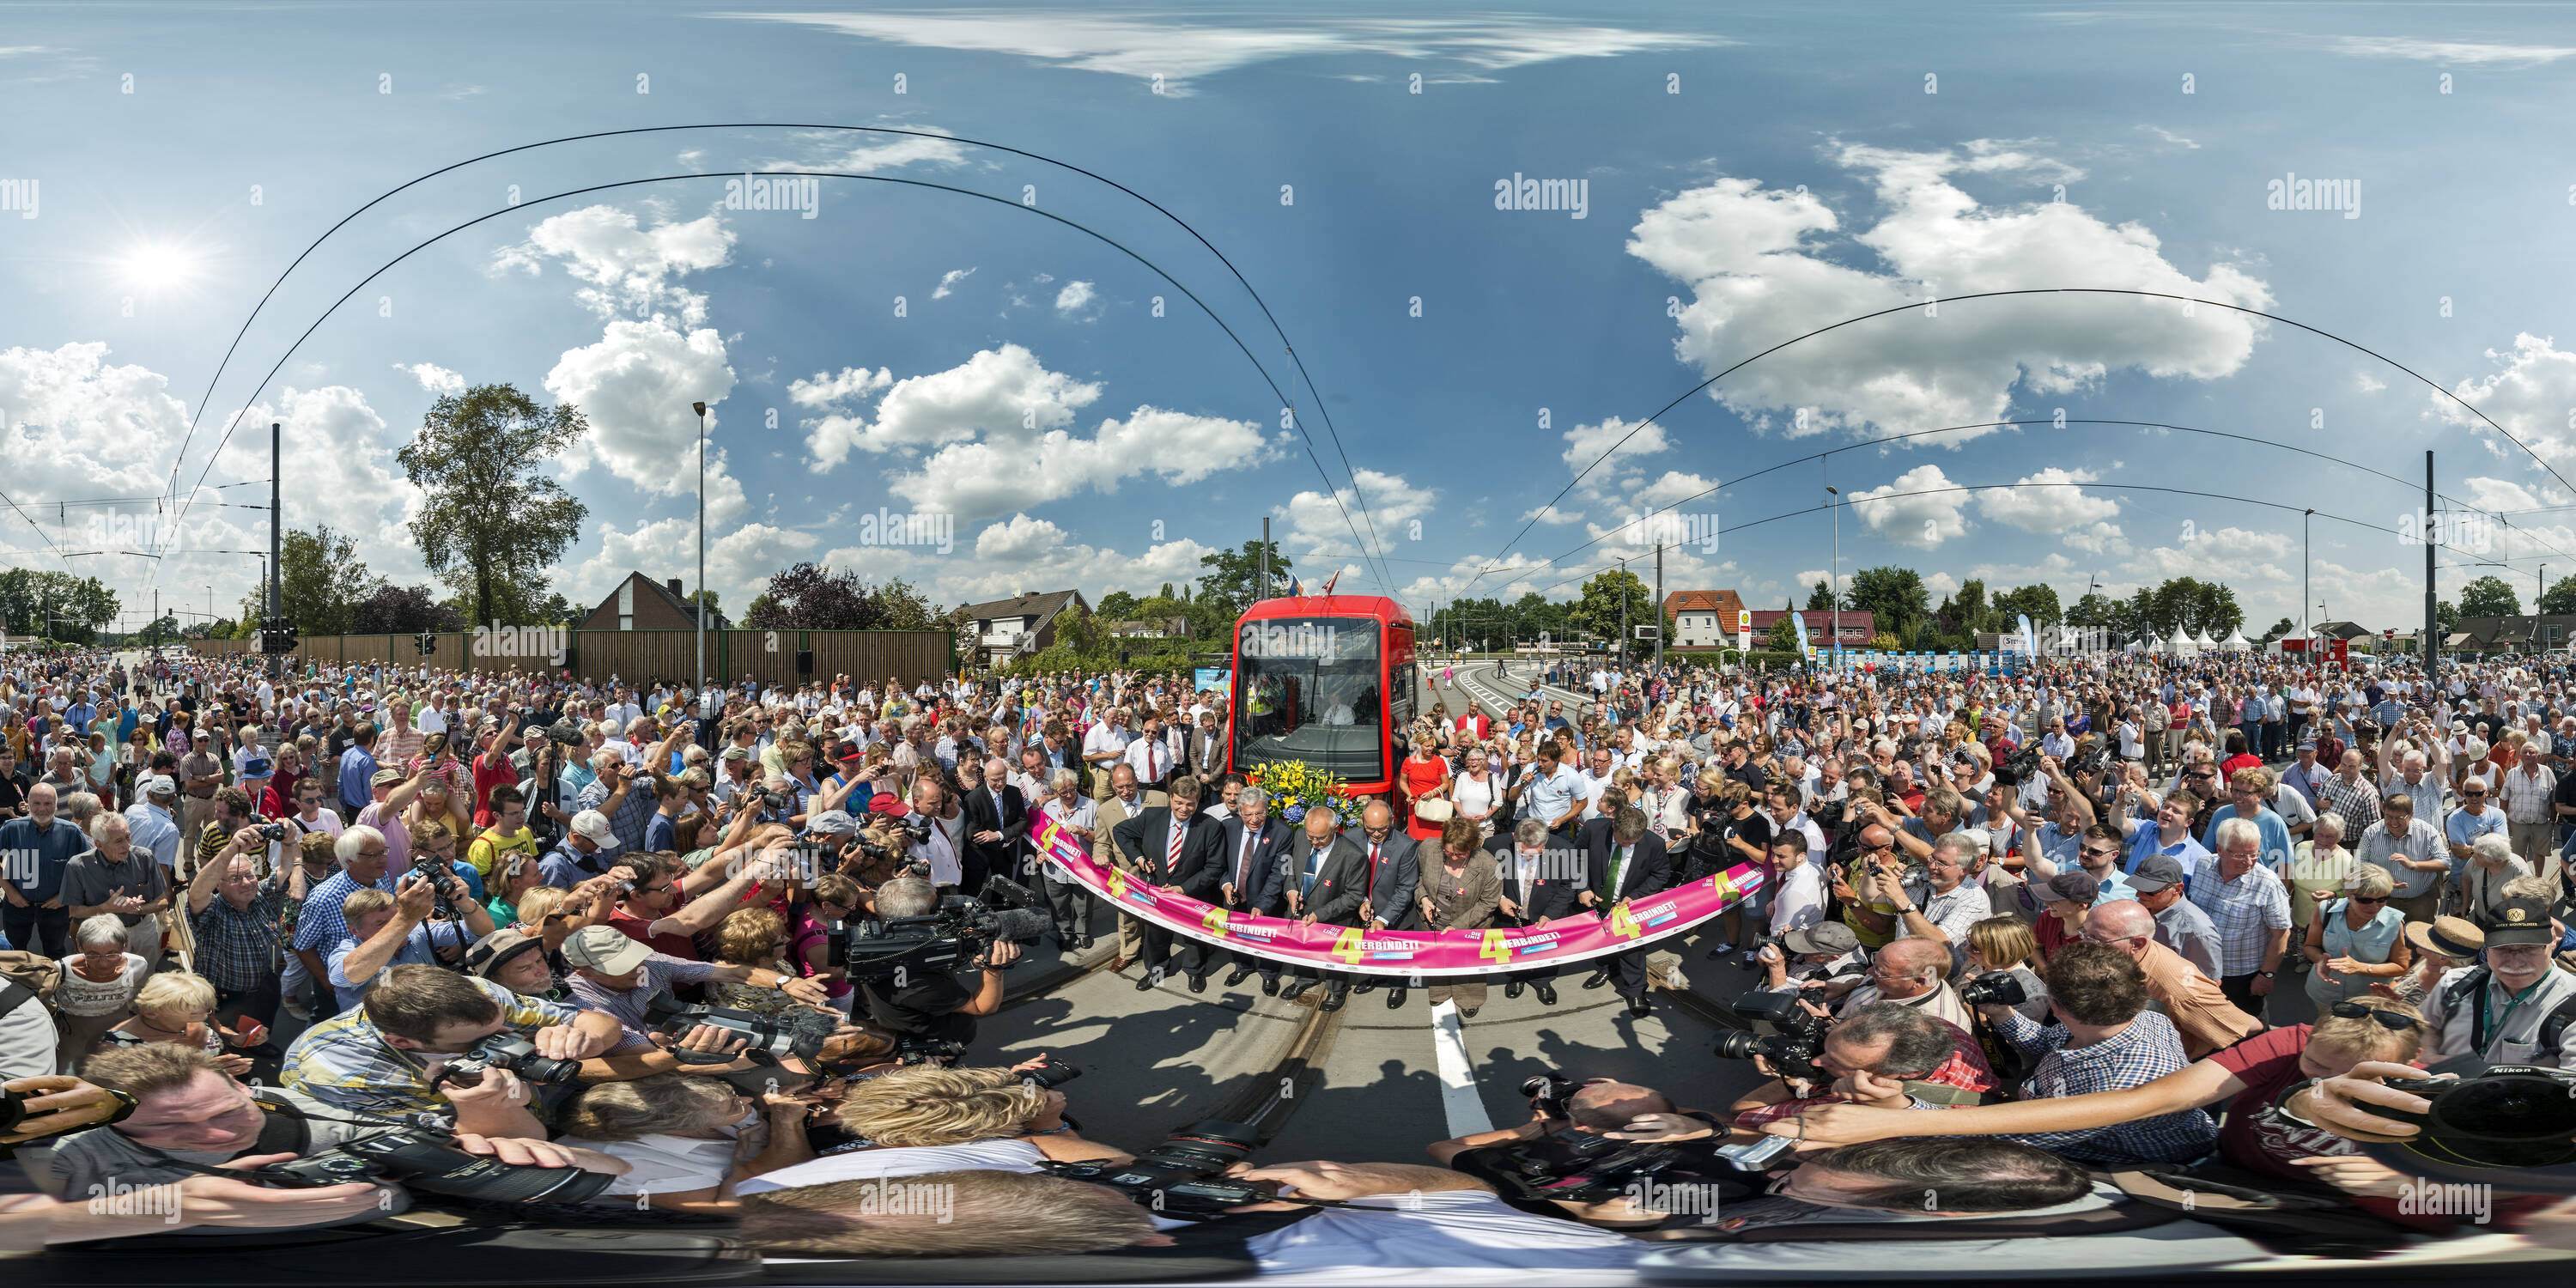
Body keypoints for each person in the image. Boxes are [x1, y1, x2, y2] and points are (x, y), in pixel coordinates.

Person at [1775, 998, 2453, 1233]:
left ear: (2403, 1069)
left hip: (2338, 1218)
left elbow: (2432, 1199)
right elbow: (2143, 1102)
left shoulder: (2433, 1107)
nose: (2316, 1077)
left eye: (2341, 1077)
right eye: (2313, 1064)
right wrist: (1912, 1119)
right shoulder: (2294, 1040)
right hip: (2232, 1178)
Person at [281, 963, 622, 1134]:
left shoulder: (477, 995)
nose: (508, 1039)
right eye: (479, 1044)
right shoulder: (345, 1072)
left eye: (502, 1028)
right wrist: (493, 1104)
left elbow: (600, 1022)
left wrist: (588, 1039)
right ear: (401, 1043)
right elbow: (509, 1145)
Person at [1969, 940, 2216, 1165]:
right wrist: (2002, 1014)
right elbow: (2047, 1041)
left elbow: (2025, 1136)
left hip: (2120, 1167)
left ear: (2055, 1008)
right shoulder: (2143, 1018)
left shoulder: (2115, 1085)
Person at [734, 1062, 1131, 1196]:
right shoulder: (1007, 1152)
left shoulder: (817, 1147)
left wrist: (789, 1121)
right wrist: (1049, 1127)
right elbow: (1124, 1171)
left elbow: (749, 1183)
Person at [552, 1072, 817, 1213]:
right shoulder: (628, 1163)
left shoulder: (703, 1107)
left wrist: (780, 1104)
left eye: (736, 1096)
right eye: (735, 1105)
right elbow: (732, 1207)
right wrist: (747, 1156)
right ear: (686, 1128)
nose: (747, 1102)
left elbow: (754, 1115)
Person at [1727, 999, 1996, 1133]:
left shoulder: (1855, 1104)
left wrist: (1792, 1079)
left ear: (1897, 1075)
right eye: (1825, 1046)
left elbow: (1743, 1114)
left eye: (1836, 1062)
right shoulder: (1942, 1031)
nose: (1817, 1060)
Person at [2078, 901, 2263, 1060]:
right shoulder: (2121, 956)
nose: (2084, 944)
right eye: (2084, 933)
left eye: (2096, 939)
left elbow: (2249, 1029)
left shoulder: (2178, 988)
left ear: (2137, 944)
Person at [850, 878, 1022, 1047]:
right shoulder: (918, 984)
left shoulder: (880, 942)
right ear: (917, 921)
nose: (942, 909)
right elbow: (982, 1006)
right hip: (937, 1047)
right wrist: (994, 969)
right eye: (935, 907)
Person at [2414, 887, 2576, 1066]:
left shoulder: (2571, 1003)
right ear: (2486, 949)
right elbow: (2423, 1027)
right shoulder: (2454, 983)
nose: (2515, 963)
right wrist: (2427, 1053)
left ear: (2553, 940)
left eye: (2530, 948)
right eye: (2502, 950)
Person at [1110, 774, 1224, 991]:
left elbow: (1215, 868)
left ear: (1198, 802)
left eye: (1190, 804)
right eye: (1179, 802)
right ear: (1170, 797)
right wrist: (1139, 859)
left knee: (1194, 938)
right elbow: (1120, 831)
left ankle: (1195, 972)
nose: (1184, 809)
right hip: (1157, 892)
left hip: (1191, 894)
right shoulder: (1152, 816)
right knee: (1156, 935)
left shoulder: (1211, 827)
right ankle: (1157, 970)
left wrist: (1184, 888)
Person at [2187, 816, 2293, 1019]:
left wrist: (2267, 975)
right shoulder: (2203, 866)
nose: (2249, 862)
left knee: (2247, 1031)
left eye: (2254, 854)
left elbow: (2281, 933)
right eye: (2240, 855)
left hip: (2240, 976)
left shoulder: (2267, 883)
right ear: (2220, 850)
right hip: (2201, 969)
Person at [1279, 806, 1370, 1012]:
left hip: (1334, 918)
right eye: (1311, 837)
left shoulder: (1353, 856)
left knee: (1335, 959)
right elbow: (1290, 867)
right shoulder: (1301, 835)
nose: (1313, 842)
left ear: (1336, 829)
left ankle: (1337, 990)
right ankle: (1304, 980)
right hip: (1301, 912)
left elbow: (1354, 896)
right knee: (1300, 950)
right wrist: (1291, 890)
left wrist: (1321, 914)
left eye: (1320, 839)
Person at [1212, 786, 1293, 994]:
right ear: (1239, 812)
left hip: (1266, 901)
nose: (1255, 819)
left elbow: (1279, 874)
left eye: (1260, 813)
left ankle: (1268, 974)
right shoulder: (1228, 827)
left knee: (1267, 939)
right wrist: (1225, 884)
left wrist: (1263, 904)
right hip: (1234, 898)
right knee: (1237, 936)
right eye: (1248, 814)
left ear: (1267, 809)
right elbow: (1219, 864)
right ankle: (1243, 966)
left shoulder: (1282, 833)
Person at [1418, 817, 1501, 1018]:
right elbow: (1419, 879)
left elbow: (1489, 902)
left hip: (1471, 925)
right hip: (1434, 924)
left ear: (1472, 847)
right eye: (1448, 852)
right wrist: (1423, 899)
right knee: (1437, 960)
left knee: (1469, 964)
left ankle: (1469, 998)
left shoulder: (1490, 865)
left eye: (1460, 854)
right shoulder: (1428, 848)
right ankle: (1440, 990)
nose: (1453, 858)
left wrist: (1458, 926)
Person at [0, 781, 88, 960]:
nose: (42, 809)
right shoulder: (11, 829)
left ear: (56, 805)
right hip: (17, 905)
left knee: (55, 952)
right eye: (37, 803)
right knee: (14, 954)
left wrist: (65, 896)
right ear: (28, 804)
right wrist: (10, 891)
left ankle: (53, 985)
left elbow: (86, 871)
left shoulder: (72, 833)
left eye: (48, 803)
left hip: (55, 909)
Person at [52, 914, 150, 1072]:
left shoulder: (137, 965)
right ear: (79, 947)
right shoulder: (60, 970)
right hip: (72, 1032)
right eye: (93, 955)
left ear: (124, 946)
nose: (103, 963)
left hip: (115, 1027)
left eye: (112, 954)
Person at [2300, 866, 2409, 1007]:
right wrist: (2321, 960)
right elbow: (2310, 946)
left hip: (2367, 1001)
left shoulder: (2394, 922)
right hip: (2326, 994)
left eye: (2382, 899)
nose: (2374, 906)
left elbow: (2401, 966)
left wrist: (2360, 967)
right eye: (2365, 900)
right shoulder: (2325, 909)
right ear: (2347, 894)